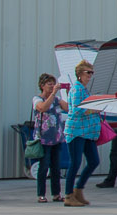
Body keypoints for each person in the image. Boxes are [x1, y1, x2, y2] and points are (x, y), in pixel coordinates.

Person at [62, 62, 103, 206]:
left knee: (93, 161)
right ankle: (68, 195)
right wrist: (95, 110)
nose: (90, 75)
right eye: (88, 72)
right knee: (75, 163)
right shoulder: (77, 90)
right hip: (77, 131)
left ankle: (78, 189)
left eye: (92, 72)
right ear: (80, 74)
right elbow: (77, 111)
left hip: (87, 133)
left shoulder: (84, 90)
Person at [30, 73, 66, 203]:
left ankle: (56, 193)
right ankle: (41, 194)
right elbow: (43, 108)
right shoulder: (37, 99)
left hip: (56, 137)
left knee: (56, 167)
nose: (52, 86)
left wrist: (68, 92)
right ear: (42, 86)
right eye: (49, 84)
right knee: (44, 166)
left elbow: (67, 107)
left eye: (53, 84)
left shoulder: (56, 100)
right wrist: (53, 94)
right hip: (43, 138)